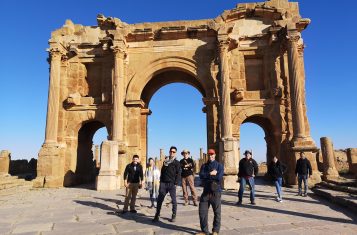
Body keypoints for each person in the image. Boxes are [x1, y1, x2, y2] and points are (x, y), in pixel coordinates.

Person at [197, 148, 224, 235]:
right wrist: (210, 174)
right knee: (202, 212)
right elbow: (201, 176)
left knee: (217, 213)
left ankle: (215, 231)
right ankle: (204, 231)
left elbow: (219, 178)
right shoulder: (204, 166)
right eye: (209, 155)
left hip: (215, 192)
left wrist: (207, 177)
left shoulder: (219, 166)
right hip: (206, 192)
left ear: (215, 155)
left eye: (212, 154)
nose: (210, 156)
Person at [152, 146, 181, 223]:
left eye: (174, 152)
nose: (172, 153)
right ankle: (157, 215)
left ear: (175, 153)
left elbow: (179, 173)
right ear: (169, 152)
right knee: (159, 200)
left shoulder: (177, 163)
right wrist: (161, 181)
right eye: (171, 151)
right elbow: (162, 171)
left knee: (174, 201)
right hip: (163, 183)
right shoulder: (165, 162)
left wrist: (176, 183)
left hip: (171, 184)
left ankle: (174, 214)